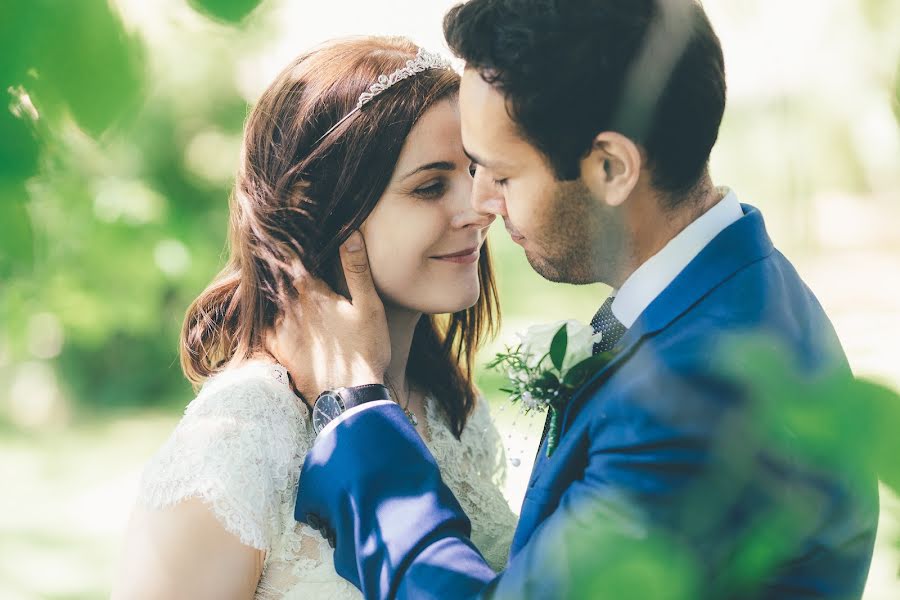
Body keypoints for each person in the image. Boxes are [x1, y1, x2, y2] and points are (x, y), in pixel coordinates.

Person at [288, 1, 879, 598]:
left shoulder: (691, 397)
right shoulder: (740, 287)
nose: (481, 201)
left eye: (501, 173)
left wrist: (357, 406)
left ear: (611, 167)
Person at [112, 36, 517, 599]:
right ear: (323, 213)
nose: (477, 208)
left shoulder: (453, 410)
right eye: (429, 187)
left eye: (474, 171)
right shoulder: (241, 439)